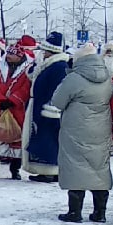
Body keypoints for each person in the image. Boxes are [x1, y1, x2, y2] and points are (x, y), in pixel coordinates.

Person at [43, 43, 113, 222]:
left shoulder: (74, 78)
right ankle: (100, 212)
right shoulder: (107, 76)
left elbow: (58, 101)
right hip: (101, 128)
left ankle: (74, 212)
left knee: (75, 166)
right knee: (99, 167)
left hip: (76, 128)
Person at [24, 33, 71, 183]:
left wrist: (51, 107)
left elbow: (57, 89)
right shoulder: (49, 64)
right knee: (43, 137)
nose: (42, 53)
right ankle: (45, 169)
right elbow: (32, 76)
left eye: (45, 50)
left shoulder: (59, 66)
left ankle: (50, 170)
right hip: (40, 105)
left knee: (49, 139)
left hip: (48, 109)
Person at [0, 45, 31, 179]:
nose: (8, 56)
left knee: (16, 138)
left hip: (16, 109)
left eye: (12, 54)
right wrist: (0, 100)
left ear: (20, 56)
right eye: (8, 53)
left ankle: (15, 169)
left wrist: (12, 101)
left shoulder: (27, 70)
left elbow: (26, 88)